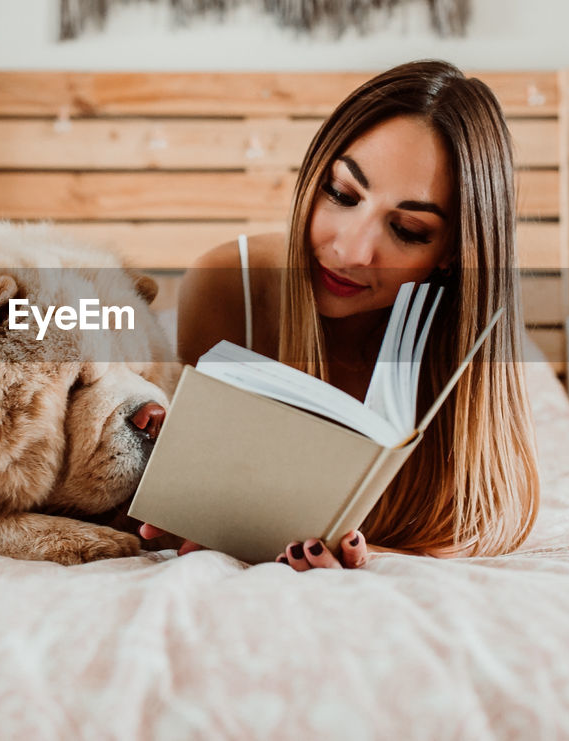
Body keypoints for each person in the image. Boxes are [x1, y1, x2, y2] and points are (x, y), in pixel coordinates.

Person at [139, 60, 540, 570]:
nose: (353, 250)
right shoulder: (227, 283)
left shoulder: (465, 356)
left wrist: (378, 559)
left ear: (452, 253)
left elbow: (477, 526)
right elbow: (186, 506)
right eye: (342, 194)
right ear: (314, 177)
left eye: (409, 229)